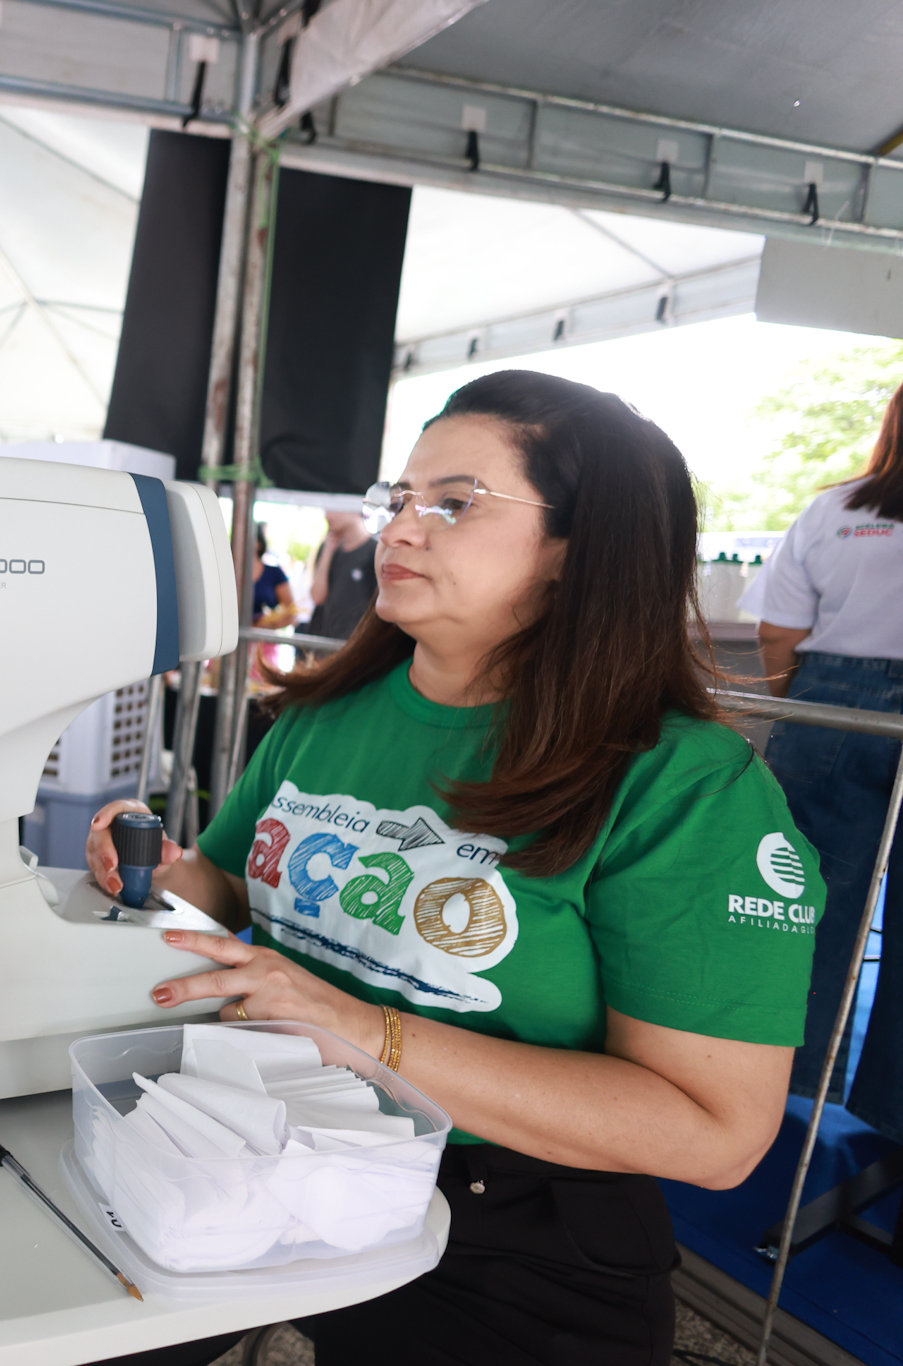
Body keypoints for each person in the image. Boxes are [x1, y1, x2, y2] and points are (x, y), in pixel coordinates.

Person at [89, 370, 820, 1366]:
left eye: (453, 504)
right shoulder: (323, 717)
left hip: (508, 1231)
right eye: (398, 498)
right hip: (265, 1143)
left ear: (574, 547)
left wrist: (361, 1031)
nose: (399, 528)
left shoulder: (682, 786)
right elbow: (217, 884)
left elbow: (714, 1132)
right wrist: (142, 871)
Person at [748, 377, 903, 1144]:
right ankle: (892, 1117)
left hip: (828, 705)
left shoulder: (835, 508)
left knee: (801, 904)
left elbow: (778, 633)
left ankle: (782, 1083)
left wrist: (807, 703)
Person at [310, 506, 376, 640]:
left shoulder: (374, 551)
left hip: (357, 641)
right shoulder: (328, 549)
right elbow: (317, 597)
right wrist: (328, 549)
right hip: (325, 638)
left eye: (333, 508)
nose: (327, 515)